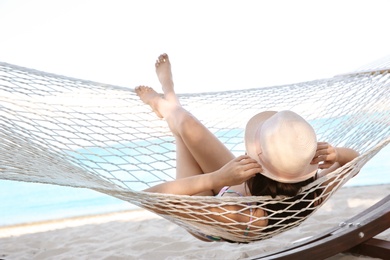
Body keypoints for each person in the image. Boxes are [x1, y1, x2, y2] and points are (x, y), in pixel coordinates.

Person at [135, 53, 359, 242]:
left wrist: (216, 179)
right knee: (187, 127)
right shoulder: (313, 190)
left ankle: (169, 104)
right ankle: (170, 106)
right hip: (241, 187)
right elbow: (354, 163)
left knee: (182, 134)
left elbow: (149, 197)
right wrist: (337, 153)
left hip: (207, 216)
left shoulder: (249, 217)